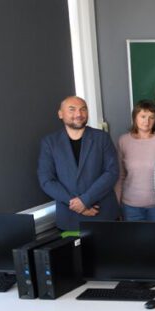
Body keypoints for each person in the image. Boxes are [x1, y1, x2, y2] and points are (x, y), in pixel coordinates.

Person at [38, 95, 120, 230]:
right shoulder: (50, 143)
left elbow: (112, 172)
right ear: (60, 114)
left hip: (103, 213)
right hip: (69, 217)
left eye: (83, 109)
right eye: (72, 109)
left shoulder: (102, 138)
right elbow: (46, 180)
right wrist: (76, 205)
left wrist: (85, 200)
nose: (79, 114)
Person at [116, 100, 155, 221]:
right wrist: (117, 205)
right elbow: (120, 176)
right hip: (130, 206)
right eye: (143, 116)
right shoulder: (123, 140)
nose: (147, 121)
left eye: (151, 117)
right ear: (135, 117)